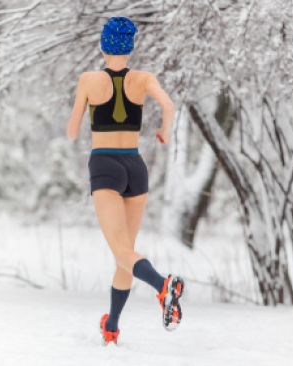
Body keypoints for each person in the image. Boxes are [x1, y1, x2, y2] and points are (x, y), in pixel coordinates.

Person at [65, 16, 184, 346]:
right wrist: (164, 131)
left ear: (103, 46)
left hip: (104, 165)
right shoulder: (144, 79)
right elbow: (170, 106)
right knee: (125, 254)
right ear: (129, 48)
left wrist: (82, 114)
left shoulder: (89, 79)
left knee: (120, 250)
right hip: (135, 166)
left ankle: (163, 285)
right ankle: (112, 326)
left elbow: (72, 131)